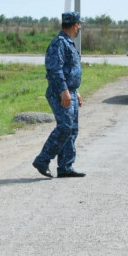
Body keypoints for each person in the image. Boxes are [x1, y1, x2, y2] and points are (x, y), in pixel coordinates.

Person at [32, 11, 86, 179]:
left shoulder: (68, 43)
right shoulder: (59, 43)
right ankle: (42, 160)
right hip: (59, 93)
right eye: (79, 25)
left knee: (72, 130)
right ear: (74, 25)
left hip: (70, 91)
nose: (79, 28)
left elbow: (70, 70)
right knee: (65, 127)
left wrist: (75, 91)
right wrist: (64, 91)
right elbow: (55, 69)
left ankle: (65, 167)